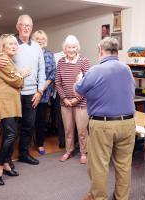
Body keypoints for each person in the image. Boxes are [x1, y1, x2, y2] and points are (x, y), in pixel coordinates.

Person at [75, 37, 136, 200]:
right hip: (128, 124)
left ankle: (98, 198)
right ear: (116, 51)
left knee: (99, 166)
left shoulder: (96, 70)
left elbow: (78, 91)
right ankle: (121, 197)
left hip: (103, 125)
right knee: (124, 166)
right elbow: (128, 92)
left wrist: (79, 80)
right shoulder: (127, 69)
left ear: (101, 51)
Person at [0, 15, 46, 165]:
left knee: (28, 126)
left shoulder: (37, 47)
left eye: (29, 25)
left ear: (32, 27)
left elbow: (42, 71)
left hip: (31, 94)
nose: (26, 28)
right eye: (23, 25)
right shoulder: (11, 43)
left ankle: (24, 154)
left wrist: (40, 91)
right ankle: (6, 160)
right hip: (12, 93)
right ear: (17, 26)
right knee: (9, 131)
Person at [0, 34, 30, 185]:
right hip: (4, 100)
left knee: (9, 133)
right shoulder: (3, 59)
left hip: (9, 100)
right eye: (10, 44)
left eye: (15, 44)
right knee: (11, 134)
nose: (14, 46)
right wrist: (22, 74)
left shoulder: (9, 60)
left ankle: (6, 163)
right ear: (3, 47)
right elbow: (17, 81)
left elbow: (16, 80)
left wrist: (19, 76)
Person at [55, 35, 90, 164]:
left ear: (77, 48)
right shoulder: (61, 62)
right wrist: (64, 98)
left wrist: (77, 98)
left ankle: (83, 152)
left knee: (82, 130)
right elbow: (58, 82)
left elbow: (87, 82)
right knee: (68, 129)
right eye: (69, 47)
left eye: (74, 47)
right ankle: (68, 150)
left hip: (81, 103)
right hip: (65, 103)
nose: (71, 50)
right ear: (65, 48)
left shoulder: (84, 61)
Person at [31, 30, 56, 155]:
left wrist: (41, 89)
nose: (40, 40)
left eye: (43, 38)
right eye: (37, 38)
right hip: (29, 92)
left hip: (44, 94)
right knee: (29, 120)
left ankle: (40, 144)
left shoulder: (50, 54)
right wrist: (35, 89)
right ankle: (25, 145)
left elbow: (52, 74)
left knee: (41, 120)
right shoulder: (29, 53)